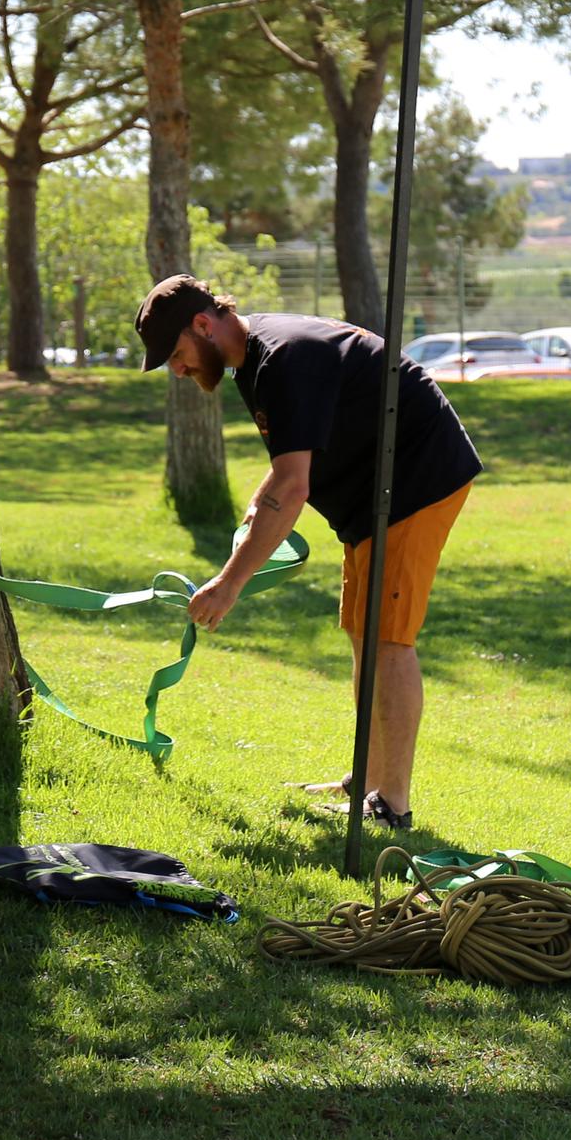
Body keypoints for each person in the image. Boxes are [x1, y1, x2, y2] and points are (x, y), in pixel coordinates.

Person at [134, 274, 480, 831]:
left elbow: (293, 487)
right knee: (363, 631)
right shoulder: (251, 363)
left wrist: (229, 584)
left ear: (203, 325)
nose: (177, 370)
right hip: (372, 496)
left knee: (388, 640)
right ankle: (365, 779)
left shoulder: (284, 359)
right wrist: (253, 514)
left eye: (176, 355)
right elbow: (283, 468)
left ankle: (392, 805)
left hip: (417, 479)